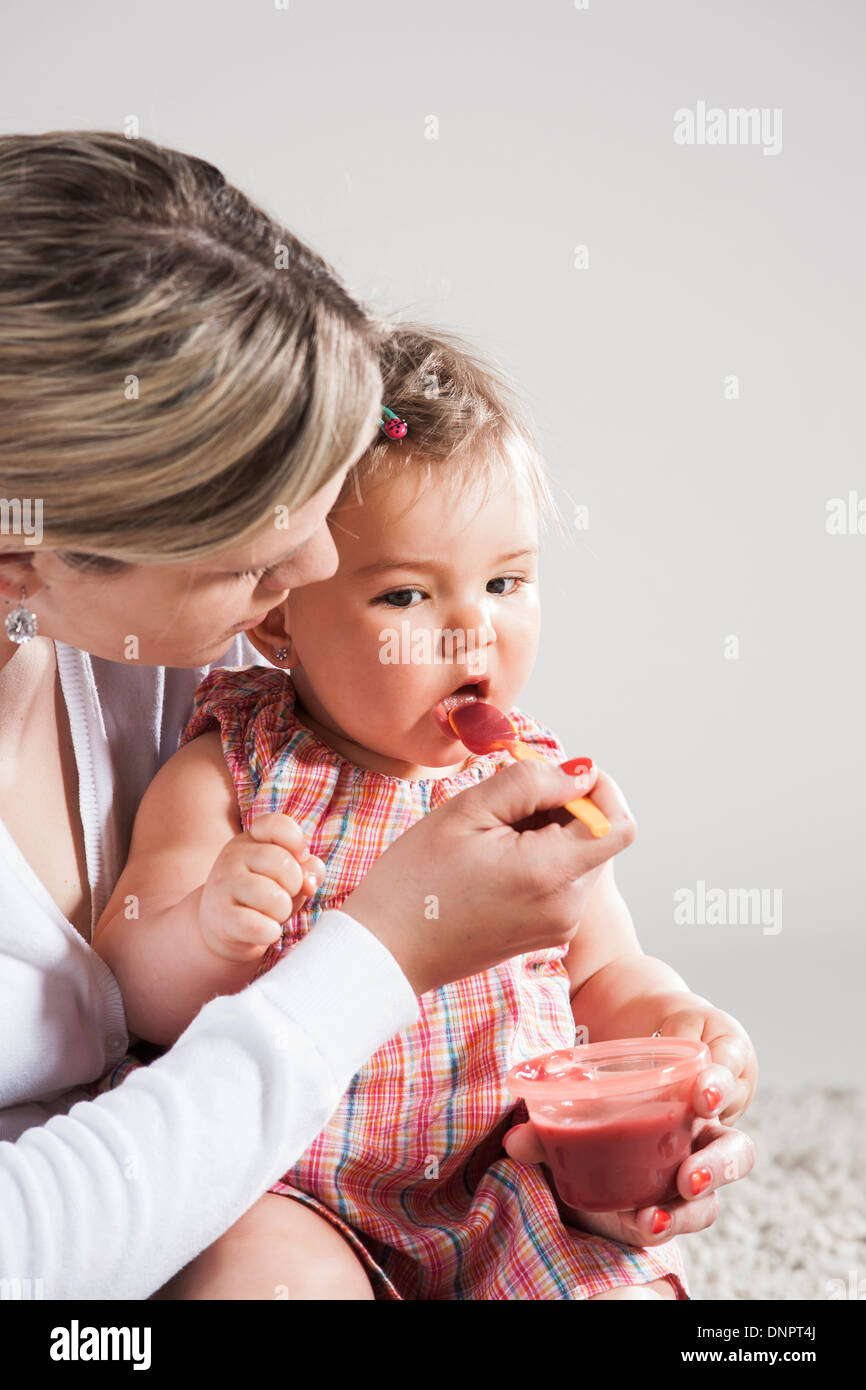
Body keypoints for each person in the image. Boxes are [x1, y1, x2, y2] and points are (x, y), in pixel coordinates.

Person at [0, 132, 729, 1301]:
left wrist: (669, 1056)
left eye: (505, 582)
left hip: (495, 1169)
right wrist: (333, 938)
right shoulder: (236, 757)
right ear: (16, 559)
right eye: (258, 558)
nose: (322, 557)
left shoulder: (506, 765)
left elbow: (610, 971)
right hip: (297, 1186)